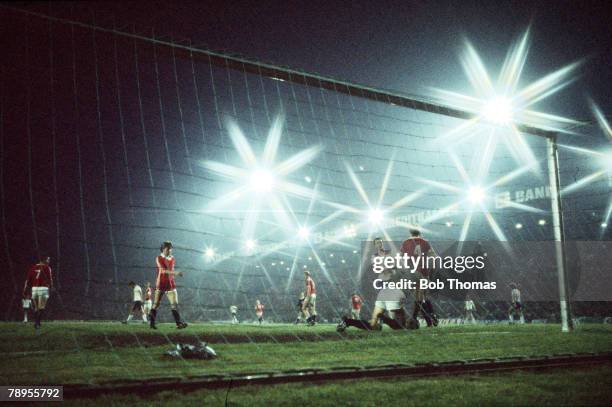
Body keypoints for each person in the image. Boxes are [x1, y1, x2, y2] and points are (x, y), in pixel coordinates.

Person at [337, 239, 413, 332]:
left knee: (375, 326)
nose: (380, 245)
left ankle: (348, 321)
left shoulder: (388, 255)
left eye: (380, 243)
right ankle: (380, 318)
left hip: (388, 284)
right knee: (396, 322)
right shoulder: (376, 256)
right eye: (377, 243)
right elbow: (380, 267)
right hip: (386, 283)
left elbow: (393, 267)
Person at [401, 229, 439, 327]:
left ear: (410, 233)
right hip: (423, 271)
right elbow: (434, 257)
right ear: (420, 233)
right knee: (421, 297)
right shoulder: (425, 242)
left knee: (421, 297)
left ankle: (428, 320)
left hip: (412, 272)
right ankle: (430, 317)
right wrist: (433, 270)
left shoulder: (405, 243)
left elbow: (401, 257)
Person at [149, 241, 187, 329]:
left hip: (170, 284)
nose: (170, 250)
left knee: (175, 304)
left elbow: (171, 271)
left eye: (171, 249)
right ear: (163, 249)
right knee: (156, 304)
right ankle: (152, 324)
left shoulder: (172, 258)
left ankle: (179, 324)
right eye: (167, 249)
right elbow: (163, 271)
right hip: (161, 283)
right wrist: (175, 272)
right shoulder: (158, 258)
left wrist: (174, 275)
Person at [23, 256, 53, 329]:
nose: (49, 261)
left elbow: (27, 281)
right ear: (45, 259)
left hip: (34, 289)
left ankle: (37, 322)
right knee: (41, 307)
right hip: (43, 288)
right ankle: (37, 323)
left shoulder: (33, 267)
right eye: (48, 259)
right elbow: (50, 279)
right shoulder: (47, 267)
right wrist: (51, 286)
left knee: (36, 308)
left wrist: (25, 289)